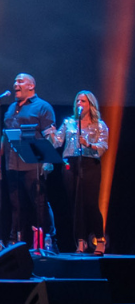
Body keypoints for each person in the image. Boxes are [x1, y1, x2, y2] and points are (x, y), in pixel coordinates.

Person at [0, 73, 55, 249]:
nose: (15, 84)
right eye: (14, 81)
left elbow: (50, 135)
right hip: (12, 162)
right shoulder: (11, 108)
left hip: (32, 163)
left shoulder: (43, 107)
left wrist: (47, 159)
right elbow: (6, 134)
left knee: (39, 202)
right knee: (15, 204)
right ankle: (15, 241)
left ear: (31, 86)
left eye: (20, 81)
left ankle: (49, 239)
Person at [46, 90, 109, 253]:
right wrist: (51, 134)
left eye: (83, 101)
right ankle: (80, 241)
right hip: (70, 164)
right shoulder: (69, 122)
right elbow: (58, 142)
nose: (79, 104)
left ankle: (100, 240)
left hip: (90, 164)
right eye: (77, 101)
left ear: (91, 104)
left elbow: (103, 147)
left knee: (90, 203)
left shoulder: (99, 125)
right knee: (76, 204)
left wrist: (88, 144)